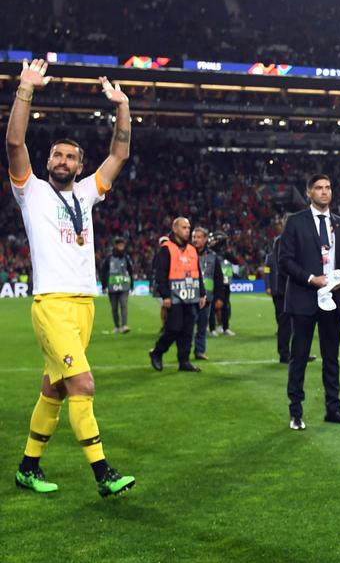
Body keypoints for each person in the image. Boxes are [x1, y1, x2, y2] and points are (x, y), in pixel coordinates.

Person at [6, 58, 136, 497]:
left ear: (79, 167)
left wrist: (122, 107)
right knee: (83, 383)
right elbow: (14, 141)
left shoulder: (86, 193)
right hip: (52, 305)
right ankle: (104, 474)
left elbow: (120, 153)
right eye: (56, 155)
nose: (62, 160)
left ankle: (27, 467)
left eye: (70, 157)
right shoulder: (32, 192)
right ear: (48, 161)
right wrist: (26, 89)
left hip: (85, 307)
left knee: (55, 391)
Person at [277, 174, 340, 430]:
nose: (325, 192)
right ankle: (296, 413)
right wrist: (312, 278)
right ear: (309, 193)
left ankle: (333, 409)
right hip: (303, 300)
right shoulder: (295, 222)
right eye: (319, 188)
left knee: (331, 358)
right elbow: (285, 260)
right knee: (298, 357)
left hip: (333, 300)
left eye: (328, 187)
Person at [149, 217, 206, 373]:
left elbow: (197, 273)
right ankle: (157, 352)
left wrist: (202, 293)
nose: (188, 230)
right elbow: (160, 275)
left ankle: (184, 361)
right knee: (173, 328)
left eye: (188, 227)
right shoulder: (166, 249)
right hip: (174, 297)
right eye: (184, 227)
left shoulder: (192, 250)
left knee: (188, 330)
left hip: (190, 296)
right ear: (175, 229)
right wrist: (165, 296)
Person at [264, 229, 295, 364]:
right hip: (282, 290)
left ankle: (296, 353)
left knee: (295, 323)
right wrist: (269, 286)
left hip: (288, 288)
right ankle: (284, 354)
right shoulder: (280, 242)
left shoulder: (286, 241)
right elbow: (269, 272)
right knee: (285, 322)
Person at [191, 227, 219, 361]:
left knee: (202, 327)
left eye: (199, 237)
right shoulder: (187, 253)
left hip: (206, 297)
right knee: (188, 327)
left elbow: (217, 278)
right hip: (189, 296)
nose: (195, 240)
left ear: (206, 239)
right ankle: (185, 352)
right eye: (194, 237)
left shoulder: (213, 256)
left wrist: (219, 297)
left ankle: (199, 351)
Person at [99, 235, 135, 334]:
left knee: (124, 305)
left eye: (122, 245)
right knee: (114, 308)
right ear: (115, 246)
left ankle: (124, 325)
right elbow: (103, 271)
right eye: (119, 245)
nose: (121, 247)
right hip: (112, 286)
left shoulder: (126, 257)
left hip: (124, 285)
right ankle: (117, 326)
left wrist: (132, 285)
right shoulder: (109, 258)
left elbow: (131, 271)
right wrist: (104, 285)